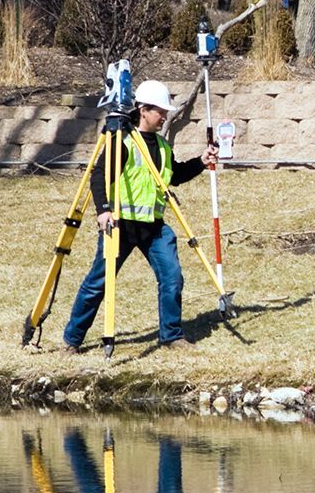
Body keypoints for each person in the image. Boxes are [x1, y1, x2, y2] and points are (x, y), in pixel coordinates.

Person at [62, 79, 217, 350]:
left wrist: (200, 162)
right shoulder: (122, 143)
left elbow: (175, 175)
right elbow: (98, 176)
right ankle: (72, 339)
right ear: (143, 110)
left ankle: (171, 336)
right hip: (121, 226)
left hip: (154, 228)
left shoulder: (163, 146)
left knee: (172, 278)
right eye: (160, 111)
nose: (164, 117)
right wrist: (103, 211)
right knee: (98, 282)